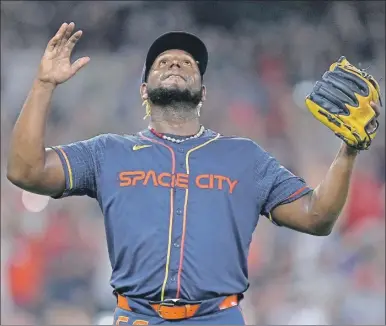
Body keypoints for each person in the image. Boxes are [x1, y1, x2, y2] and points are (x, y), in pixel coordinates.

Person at [7, 22, 381, 325]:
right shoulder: (108, 151)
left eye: (187, 63)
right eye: (163, 61)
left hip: (219, 317)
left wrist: (348, 152)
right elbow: (25, 171)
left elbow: (317, 217)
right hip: (136, 316)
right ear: (143, 91)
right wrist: (43, 86)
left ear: (203, 91)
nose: (175, 63)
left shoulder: (244, 156)